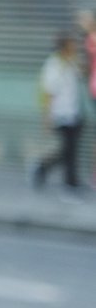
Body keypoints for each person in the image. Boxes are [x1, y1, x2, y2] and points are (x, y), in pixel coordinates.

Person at [35, 33, 86, 196]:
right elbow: (48, 92)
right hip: (61, 114)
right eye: (72, 45)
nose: (75, 47)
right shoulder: (54, 65)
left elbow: (83, 74)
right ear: (64, 47)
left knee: (69, 150)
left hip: (74, 113)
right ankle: (70, 184)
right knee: (69, 150)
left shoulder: (71, 62)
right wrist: (47, 118)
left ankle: (42, 167)